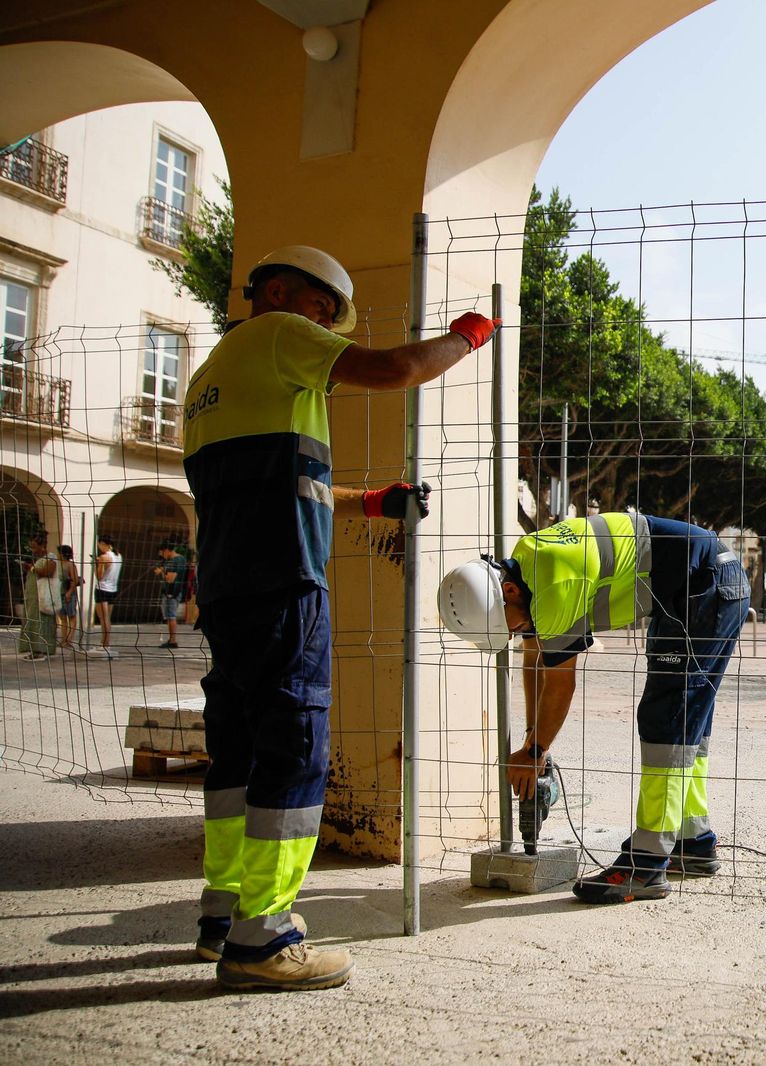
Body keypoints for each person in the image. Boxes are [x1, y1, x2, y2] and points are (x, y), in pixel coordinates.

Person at [183, 244, 498, 992]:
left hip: (228, 588)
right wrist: (467, 335)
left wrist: (374, 503)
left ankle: (221, 916)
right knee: (294, 746)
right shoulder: (275, 333)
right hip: (285, 584)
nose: (325, 328)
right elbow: (394, 370)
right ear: (281, 293)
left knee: (235, 754)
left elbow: (281, 487)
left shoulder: (210, 379)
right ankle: (266, 939)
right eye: (323, 311)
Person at [437, 512, 749, 905]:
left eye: (510, 627)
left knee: (668, 719)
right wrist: (536, 743)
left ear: (510, 592)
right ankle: (692, 841)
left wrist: (536, 751)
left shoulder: (554, 583)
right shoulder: (529, 563)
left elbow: (561, 682)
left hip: (701, 585)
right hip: (699, 585)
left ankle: (646, 863)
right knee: (688, 721)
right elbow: (536, 657)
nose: (515, 633)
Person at [16, 533, 58, 660]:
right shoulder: (39, 559)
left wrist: (32, 568)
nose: (33, 550)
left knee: (42, 622)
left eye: (35, 547)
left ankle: (42, 650)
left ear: (43, 546)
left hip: (42, 597)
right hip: (33, 597)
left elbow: (48, 572)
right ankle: (34, 650)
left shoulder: (51, 558)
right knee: (32, 621)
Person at [152, 544, 189, 649]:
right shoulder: (182, 559)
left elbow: (170, 579)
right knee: (170, 616)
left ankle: (172, 640)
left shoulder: (174, 561)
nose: (163, 556)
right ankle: (171, 639)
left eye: (163, 553)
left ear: (167, 550)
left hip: (171, 592)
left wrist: (162, 571)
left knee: (171, 616)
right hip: (176, 591)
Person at [91, 534, 121, 657]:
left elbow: (99, 576)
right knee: (107, 617)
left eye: (99, 544)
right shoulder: (118, 556)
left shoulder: (104, 557)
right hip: (113, 589)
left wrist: (96, 564)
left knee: (103, 619)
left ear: (104, 544)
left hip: (102, 589)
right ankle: (105, 642)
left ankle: (104, 643)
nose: (99, 546)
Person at [57, 544, 83, 651]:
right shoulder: (58, 564)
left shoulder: (70, 565)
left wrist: (69, 592)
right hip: (60, 592)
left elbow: (75, 580)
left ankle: (69, 639)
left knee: (71, 615)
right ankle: (64, 639)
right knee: (62, 617)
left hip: (69, 593)